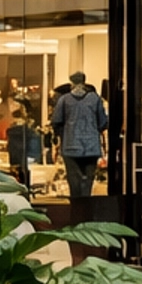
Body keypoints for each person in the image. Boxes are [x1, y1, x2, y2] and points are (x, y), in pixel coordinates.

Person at [51, 69, 107, 201]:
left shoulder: (64, 100)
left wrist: (61, 135)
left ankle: (76, 211)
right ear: (84, 81)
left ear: (71, 83)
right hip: (91, 148)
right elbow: (103, 123)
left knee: (74, 183)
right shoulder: (95, 99)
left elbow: (56, 121)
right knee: (87, 183)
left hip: (70, 147)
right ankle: (86, 209)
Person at [6, 103, 45, 189]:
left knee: (18, 178)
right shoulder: (31, 133)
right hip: (30, 158)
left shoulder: (11, 132)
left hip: (15, 159)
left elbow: (10, 146)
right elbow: (35, 147)